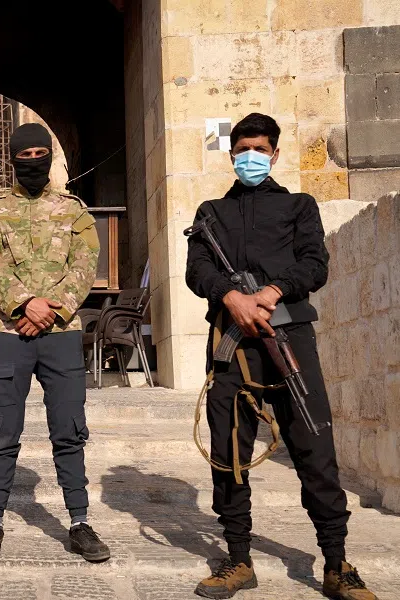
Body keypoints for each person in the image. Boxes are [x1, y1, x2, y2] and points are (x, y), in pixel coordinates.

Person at [186, 113, 377, 600]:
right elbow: (198, 271)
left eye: (260, 149)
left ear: (274, 154)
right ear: (231, 155)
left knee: (315, 449)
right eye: (242, 148)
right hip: (231, 345)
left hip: (288, 337)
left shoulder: (298, 205)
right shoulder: (210, 213)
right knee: (229, 454)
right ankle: (237, 559)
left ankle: (336, 563)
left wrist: (270, 292)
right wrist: (231, 297)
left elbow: (315, 263)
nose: (250, 156)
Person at [0, 122, 107, 564]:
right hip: (8, 334)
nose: (32, 163)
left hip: (61, 334)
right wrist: (24, 304)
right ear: (13, 159)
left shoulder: (74, 211)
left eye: (39, 155)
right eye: (24, 157)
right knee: (2, 431)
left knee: (69, 430)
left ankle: (79, 522)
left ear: (50, 156)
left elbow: (85, 266)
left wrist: (53, 308)